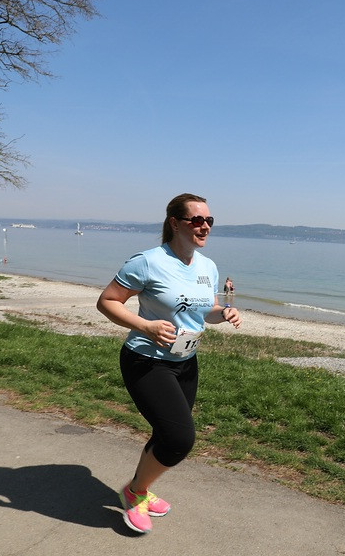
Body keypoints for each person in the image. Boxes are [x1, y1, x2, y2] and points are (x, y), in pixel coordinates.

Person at [96, 193, 241, 534]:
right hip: (146, 361)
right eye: (196, 220)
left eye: (209, 221)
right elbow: (107, 301)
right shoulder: (147, 262)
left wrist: (224, 313)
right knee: (179, 438)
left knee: (166, 433)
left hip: (186, 362)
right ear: (176, 223)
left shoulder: (208, 266)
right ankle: (135, 492)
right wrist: (144, 325)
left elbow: (206, 309)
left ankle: (139, 488)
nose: (204, 226)